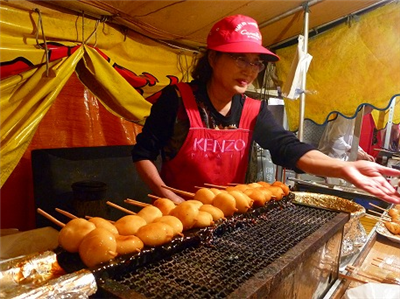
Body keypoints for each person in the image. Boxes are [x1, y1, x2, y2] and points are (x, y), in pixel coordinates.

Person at [132, 14, 400, 204]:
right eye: (240, 59)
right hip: (176, 212)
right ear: (213, 58)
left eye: (256, 63)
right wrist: (165, 193)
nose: (249, 70)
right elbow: (143, 153)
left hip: (227, 212)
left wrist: (341, 168)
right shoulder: (177, 100)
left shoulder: (252, 109)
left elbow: (288, 147)